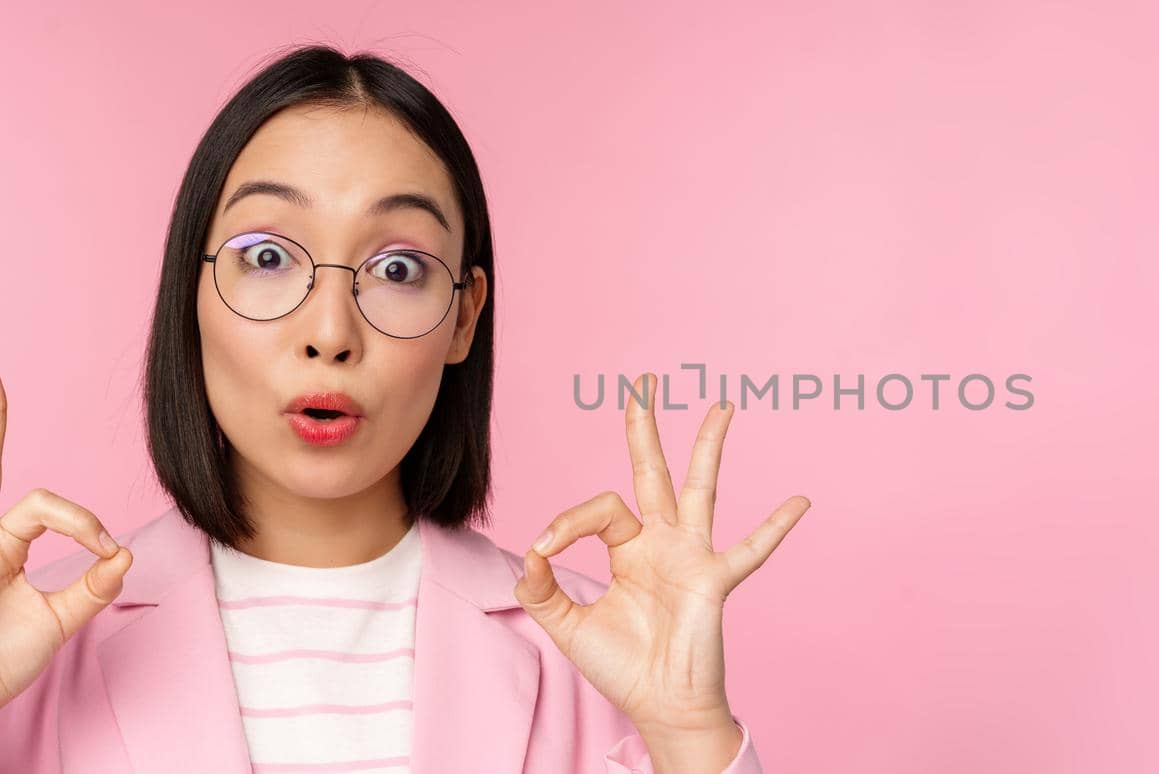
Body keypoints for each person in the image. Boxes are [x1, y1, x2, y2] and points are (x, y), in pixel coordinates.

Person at [0, 44, 809, 774]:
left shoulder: (605, 660)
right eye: (269, 257)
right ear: (191, 290)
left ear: (463, 315)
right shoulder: (29, 649)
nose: (330, 334)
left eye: (397, 269)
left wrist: (691, 736)